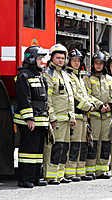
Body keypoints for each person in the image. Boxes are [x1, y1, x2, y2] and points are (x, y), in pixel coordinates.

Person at [14, 46, 49, 188]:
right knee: (28, 152)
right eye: (39, 58)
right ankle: (25, 179)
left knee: (38, 152)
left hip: (40, 120)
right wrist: (29, 119)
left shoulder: (39, 75)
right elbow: (24, 99)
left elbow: (44, 99)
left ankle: (35, 177)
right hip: (30, 121)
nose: (42, 61)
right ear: (32, 59)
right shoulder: (23, 76)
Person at [84, 51, 112, 179]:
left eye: (101, 63)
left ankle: (102, 170)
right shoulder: (88, 79)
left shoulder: (110, 80)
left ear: (104, 64)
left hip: (107, 117)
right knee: (93, 143)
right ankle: (90, 170)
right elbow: (87, 95)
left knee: (105, 143)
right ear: (93, 64)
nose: (98, 66)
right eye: (96, 63)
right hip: (94, 116)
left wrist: (110, 105)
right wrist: (100, 105)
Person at [43, 43, 75, 185]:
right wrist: (52, 117)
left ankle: (60, 174)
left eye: (63, 58)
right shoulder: (48, 75)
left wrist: (72, 116)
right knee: (54, 147)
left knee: (64, 148)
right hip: (56, 119)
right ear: (52, 58)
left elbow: (70, 97)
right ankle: (50, 175)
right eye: (58, 58)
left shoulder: (65, 74)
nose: (61, 60)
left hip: (67, 119)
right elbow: (47, 99)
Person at [64, 49, 95, 182]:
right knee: (74, 145)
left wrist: (93, 104)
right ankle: (70, 173)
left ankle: (80, 172)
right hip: (76, 115)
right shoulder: (68, 76)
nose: (76, 63)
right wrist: (88, 106)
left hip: (84, 117)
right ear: (69, 61)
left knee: (82, 145)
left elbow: (85, 95)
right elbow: (74, 96)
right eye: (74, 60)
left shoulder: (80, 77)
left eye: (78, 60)